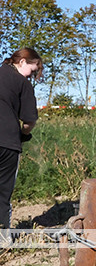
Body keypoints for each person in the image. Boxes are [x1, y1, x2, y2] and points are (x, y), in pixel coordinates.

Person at [0, 48, 42, 246]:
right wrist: (23, 134)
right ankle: (2, 240)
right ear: (23, 62)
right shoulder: (22, 83)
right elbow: (29, 121)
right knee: (3, 191)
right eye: (33, 71)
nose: (32, 76)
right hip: (7, 141)